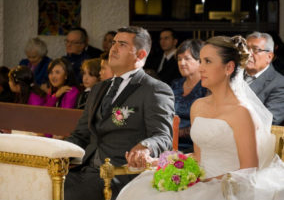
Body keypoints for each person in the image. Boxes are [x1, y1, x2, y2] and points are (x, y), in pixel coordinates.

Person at [116, 36, 284, 200]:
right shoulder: (198, 106)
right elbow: (199, 156)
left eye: (208, 62)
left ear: (229, 68)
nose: (201, 68)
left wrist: (203, 181)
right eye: (201, 61)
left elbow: (248, 170)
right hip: (198, 179)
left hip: (228, 186)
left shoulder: (242, 112)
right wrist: (160, 162)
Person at [64, 26, 175, 200]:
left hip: (119, 173)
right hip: (84, 169)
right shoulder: (99, 88)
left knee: (65, 194)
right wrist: (54, 152)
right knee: (38, 183)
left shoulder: (154, 89)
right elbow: (80, 134)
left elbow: (163, 137)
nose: (113, 48)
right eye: (114, 43)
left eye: (122, 44)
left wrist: (146, 146)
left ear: (141, 55)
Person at [171, 40, 207, 152]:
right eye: (179, 59)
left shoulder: (206, 87)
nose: (181, 63)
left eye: (187, 59)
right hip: (170, 142)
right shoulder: (175, 84)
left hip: (196, 146)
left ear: (200, 61)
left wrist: (179, 132)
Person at [245, 31, 284, 125]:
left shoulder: (279, 83)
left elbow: (270, 120)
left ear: (269, 57)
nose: (248, 54)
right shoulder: (230, 76)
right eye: (246, 49)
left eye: (255, 50)